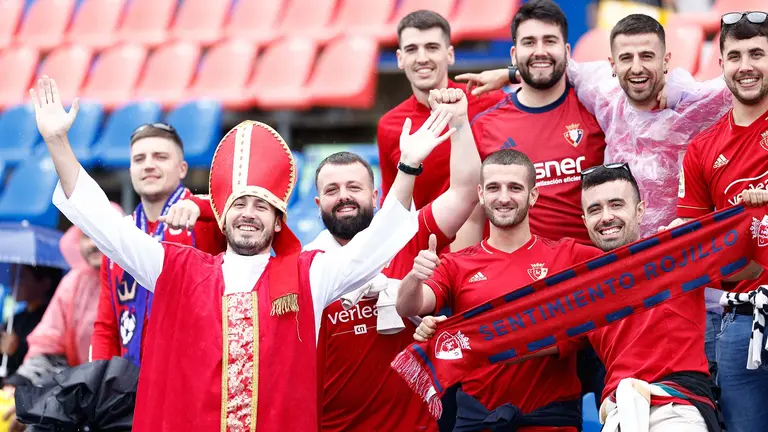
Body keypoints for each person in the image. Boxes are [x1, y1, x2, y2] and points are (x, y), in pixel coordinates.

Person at [34, 73, 455, 430]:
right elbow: (105, 226)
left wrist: (408, 167)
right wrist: (57, 143)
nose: (249, 214)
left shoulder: (308, 275)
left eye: (261, 206)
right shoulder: (177, 268)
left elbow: (374, 244)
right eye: (239, 205)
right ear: (221, 217)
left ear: (279, 221)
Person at [413, 163, 759, 430]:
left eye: (616, 205)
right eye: (595, 209)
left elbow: (751, 267)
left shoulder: (678, 253)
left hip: (676, 405)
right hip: (618, 410)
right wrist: (456, 336)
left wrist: (758, 213)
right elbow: (526, 339)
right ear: (584, 220)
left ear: (640, 210)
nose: (606, 217)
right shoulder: (581, 283)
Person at [308, 89, 479, 432]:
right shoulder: (307, 266)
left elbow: (465, 191)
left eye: (354, 187)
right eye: (332, 190)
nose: (344, 197)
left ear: (375, 196)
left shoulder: (408, 234)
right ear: (317, 204)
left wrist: (460, 121)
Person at [397, 149, 603, 431]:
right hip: (478, 420)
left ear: (533, 195)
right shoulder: (456, 264)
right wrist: (415, 277)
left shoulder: (569, 255)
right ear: (481, 195)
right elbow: (408, 307)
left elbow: (628, 275)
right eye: (494, 188)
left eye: (515, 188)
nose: (503, 198)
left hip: (551, 420)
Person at [669, 11, 768, 432]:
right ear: (722, 64)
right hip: (740, 321)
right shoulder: (702, 150)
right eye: (736, 56)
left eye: (757, 54)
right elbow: (694, 245)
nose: (746, 66)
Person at [466, 0, 607, 246]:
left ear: (567, 51)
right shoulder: (484, 126)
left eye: (549, 41)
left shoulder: (599, 110)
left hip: (593, 266)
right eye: (529, 42)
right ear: (513, 54)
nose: (540, 51)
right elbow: (472, 218)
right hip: (516, 268)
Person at [90, 121, 226, 367]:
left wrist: (201, 206)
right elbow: (106, 326)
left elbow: (244, 208)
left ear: (182, 169)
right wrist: (99, 379)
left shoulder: (205, 222)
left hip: (194, 375)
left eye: (160, 157)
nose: (149, 165)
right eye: (139, 159)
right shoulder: (119, 235)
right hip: (132, 380)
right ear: (131, 170)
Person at [377, 9, 505, 212]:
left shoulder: (491, 101)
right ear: (400, 58)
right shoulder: (389, 125)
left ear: (450, 54)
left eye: (432, 47)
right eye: (411, 49)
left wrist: (511, 74)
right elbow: (392, 206)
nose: (422, 58)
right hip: (428, 234)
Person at [2, 222, 119, 431]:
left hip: (128, 397)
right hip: (78, 396)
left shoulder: (139, 277)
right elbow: (48, 349)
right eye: (85, 236)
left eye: (99, 233)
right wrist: (19, 386)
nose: (92, 243)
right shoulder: (73, 283)